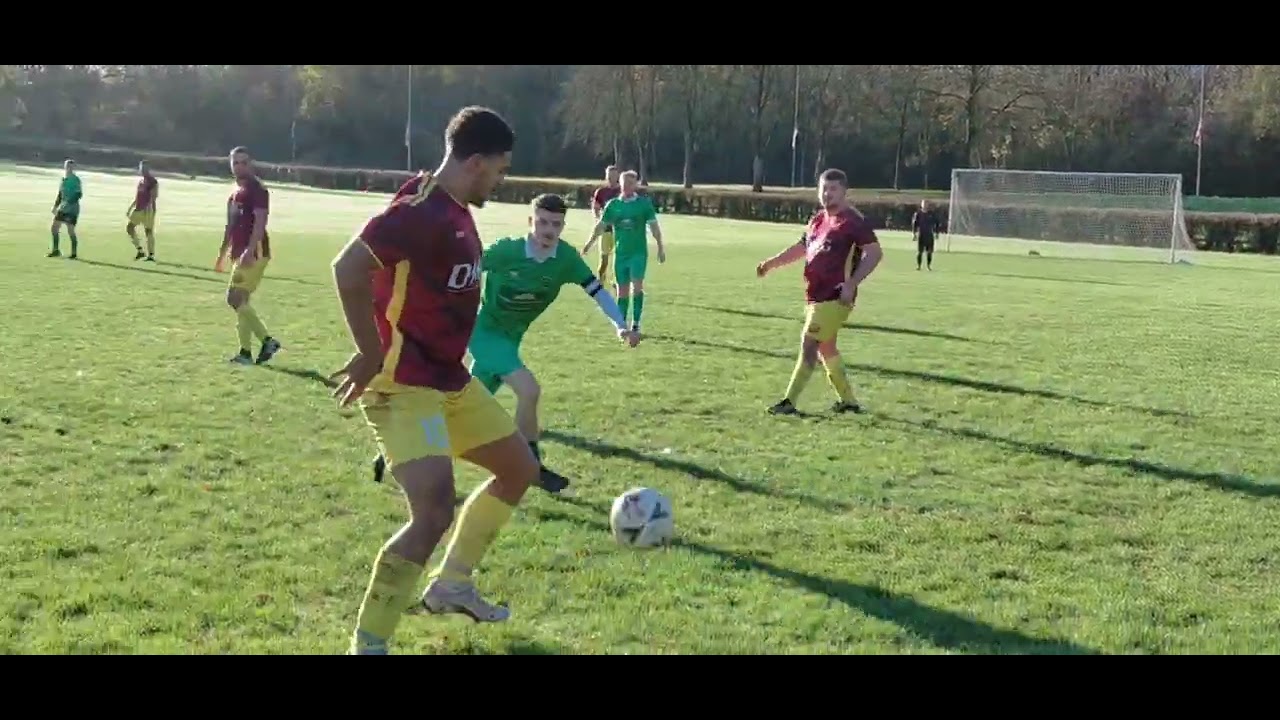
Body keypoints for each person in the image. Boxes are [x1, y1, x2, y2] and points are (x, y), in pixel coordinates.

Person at [329, 106, 539, 656]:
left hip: (448, 379)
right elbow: (347, 268)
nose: (501, 180)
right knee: (433, 511)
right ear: (476, 163)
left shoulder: (452, 206)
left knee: (519, 468)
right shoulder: (419, 212)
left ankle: (452, 586)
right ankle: (368, 645)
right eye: (500, 170)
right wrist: (369, 351)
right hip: (402, 383)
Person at [469, 192, 639, 494]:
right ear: (531, 221)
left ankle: (405, 449)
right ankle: (531, 467)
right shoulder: (506, 250)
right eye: (543, 222)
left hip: (511, 339)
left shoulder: (566, 259)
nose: (549, 230)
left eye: (556, 224)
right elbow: (461, 271)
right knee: (529, 390)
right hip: (484, 334)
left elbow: (597, 291)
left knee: (463, 405)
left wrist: (620, 325)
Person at [756, 168, 883, 416]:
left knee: (809, 343)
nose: (827, 194)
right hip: (815, 295)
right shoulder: (817, 220)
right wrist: (771, 264)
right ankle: (848, 402)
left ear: (844, 192)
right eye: (824, 189)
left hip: (835, 296)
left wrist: (851, 284)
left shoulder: (853, 221)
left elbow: (875, 253)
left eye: (833, 189)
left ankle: (789, 402)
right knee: (827, 348)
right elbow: (801, 248)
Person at [215, 147, 281, 366]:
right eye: (236, 163)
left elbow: (261, 222)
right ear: (230, 164)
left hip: (254, 253)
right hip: (239, 251)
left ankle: (267, 341)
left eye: (244, 162)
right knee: (242, 302)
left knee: (233, 298)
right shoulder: (235, 191)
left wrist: (250, 250)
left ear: (251, 164)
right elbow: (230, 225)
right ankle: (245, 353)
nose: (239, 167)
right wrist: (222, 253)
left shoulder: (257, 190)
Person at [582, 170, 666, 336]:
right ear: (620, 184)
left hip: (638, 253)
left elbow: (654, 227)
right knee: (622, 291)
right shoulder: (613, 205)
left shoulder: (643, 204)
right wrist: (589, 243)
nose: (627, 186)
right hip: (620, 254)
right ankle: (621, 326)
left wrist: (660, 247)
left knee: (637, 287)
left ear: (635, 185)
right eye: (624, 183)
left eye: (630, 183)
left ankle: (636, 324)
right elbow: (600, 226)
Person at [590, 165, 622, 286]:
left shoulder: (623, 191)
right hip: (606, 230)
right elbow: (596, 208)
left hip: (620, 231)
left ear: (618, 176)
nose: (611, 178)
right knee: (604, 261)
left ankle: (618, 282)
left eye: (613, 175)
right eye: (609, 175)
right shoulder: (601, 192)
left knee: (619, 259)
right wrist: (599, 219)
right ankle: (600, 284)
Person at [126, 161, 160, 262]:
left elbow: (154, 196)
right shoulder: (141, 181)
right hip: (139, 208)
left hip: (148, 210)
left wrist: (148, 208)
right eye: (142, 168)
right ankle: (140, 250)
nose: (143, 170)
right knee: (130, 228)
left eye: (145, 168)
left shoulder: (152, 181)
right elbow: (138, 197)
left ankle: (151, 255)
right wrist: (131, 207)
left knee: (148, 231)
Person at [49, 159, 82, 259]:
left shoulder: (76, 180)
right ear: (65, 167)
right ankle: (55, 250)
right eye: (67, 166)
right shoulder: (63, 179)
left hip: (72, 209)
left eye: (71, 166)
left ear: (73, 168)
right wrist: (55, 206)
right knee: (54, 227)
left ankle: (74, 253)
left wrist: (69, 202)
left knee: (70, 230)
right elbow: (60, 194)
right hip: (63, 208)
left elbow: (79, 194)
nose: (69, 168)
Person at [911, 199, 939, 271]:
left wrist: (936, 233)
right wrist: (914, 234)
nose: (925, 205)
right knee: (920, 252)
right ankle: (919, 266)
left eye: (926, 204)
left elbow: (937, 223)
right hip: (921, 235)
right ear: (921, 205)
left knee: (929, 252)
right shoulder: (918, 214)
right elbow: (914, 224)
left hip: (929, 235)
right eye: (924, 204)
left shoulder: (931, 214)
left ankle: (928, 266)